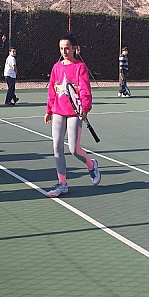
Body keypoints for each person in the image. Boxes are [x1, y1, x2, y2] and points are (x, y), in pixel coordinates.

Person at [44, 34, 100, 198]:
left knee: (74, 149)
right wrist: (49, 110)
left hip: (75, 113)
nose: (64, 51)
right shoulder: (56, 67)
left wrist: (85, 107)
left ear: (75, 48)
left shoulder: (80, 67)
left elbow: (84, 89)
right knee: (56, 147)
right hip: (58, 111)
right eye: (61, 48)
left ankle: (91, 165)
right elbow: (52, 90)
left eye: (67, 48)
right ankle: (62, 184)